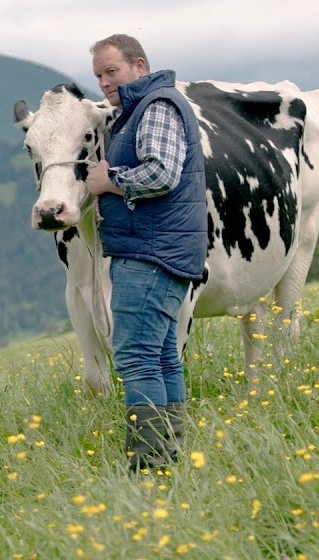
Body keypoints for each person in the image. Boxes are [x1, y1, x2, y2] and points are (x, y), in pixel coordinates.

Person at [84, 33, 207, 472]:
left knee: (137, 358)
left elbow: (161, 174)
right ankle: (170, 458)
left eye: (111, 71)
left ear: (139, 65)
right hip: (163, 248)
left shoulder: (155, 106)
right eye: (98, 75)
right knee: (161, 356)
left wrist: (107, 181)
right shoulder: (142, 108)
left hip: (150, 253)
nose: (104, 82)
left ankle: (150, 465)